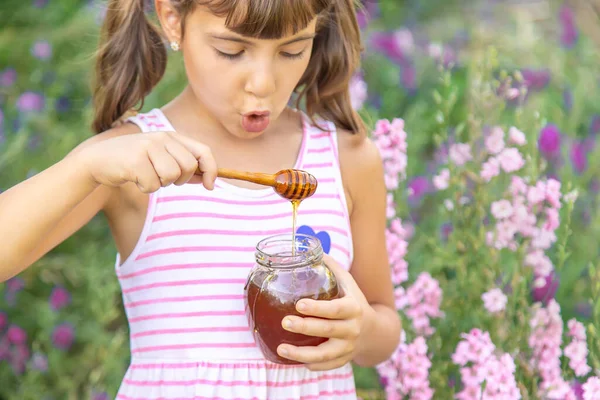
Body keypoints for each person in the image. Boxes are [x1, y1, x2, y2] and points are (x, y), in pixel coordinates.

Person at [0, 0, 401, 398]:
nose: (263, 82)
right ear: (173, 20)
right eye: (231, 50)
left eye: (292, 50)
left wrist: (361, 329)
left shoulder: (346, 160)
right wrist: (84, 167)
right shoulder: (129, 160)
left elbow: (384, 326)